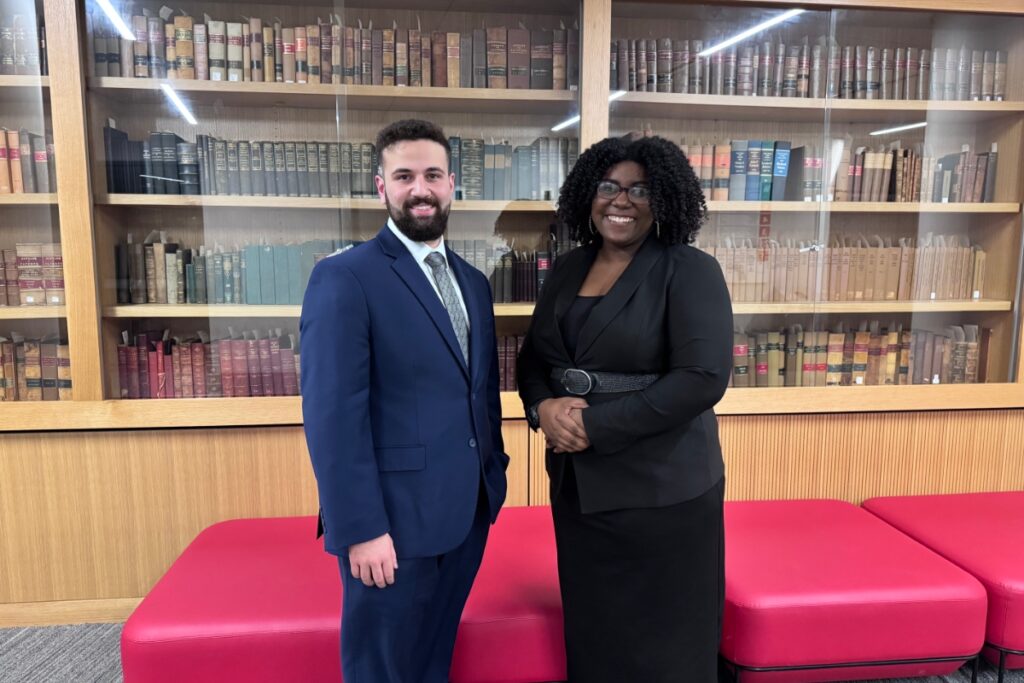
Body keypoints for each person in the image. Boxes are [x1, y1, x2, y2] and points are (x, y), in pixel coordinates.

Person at [517, 134, 733, 682]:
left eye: (640, 190)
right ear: (588, 196)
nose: (621, 201)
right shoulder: (567, 269)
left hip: (664, 491)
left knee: (663, 645)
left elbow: (702, 379)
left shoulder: (689, 269)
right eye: (609, 187)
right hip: (578, 487)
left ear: (664, 200)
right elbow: (533, 359)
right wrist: (542, 408)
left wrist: (594, 425)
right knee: (596, 635)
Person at [300, 118, 509, 683]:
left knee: (431, 661)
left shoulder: (473, 282)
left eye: (433, 175)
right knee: (382, 670)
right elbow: (331, 418)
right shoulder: (344, 278)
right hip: (389, 526)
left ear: (452, 184)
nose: (421, 188)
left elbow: (479, 392)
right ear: (381, 186)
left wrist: (495, 472)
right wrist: (359, 528)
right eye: (405, 175)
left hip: (466, 514)